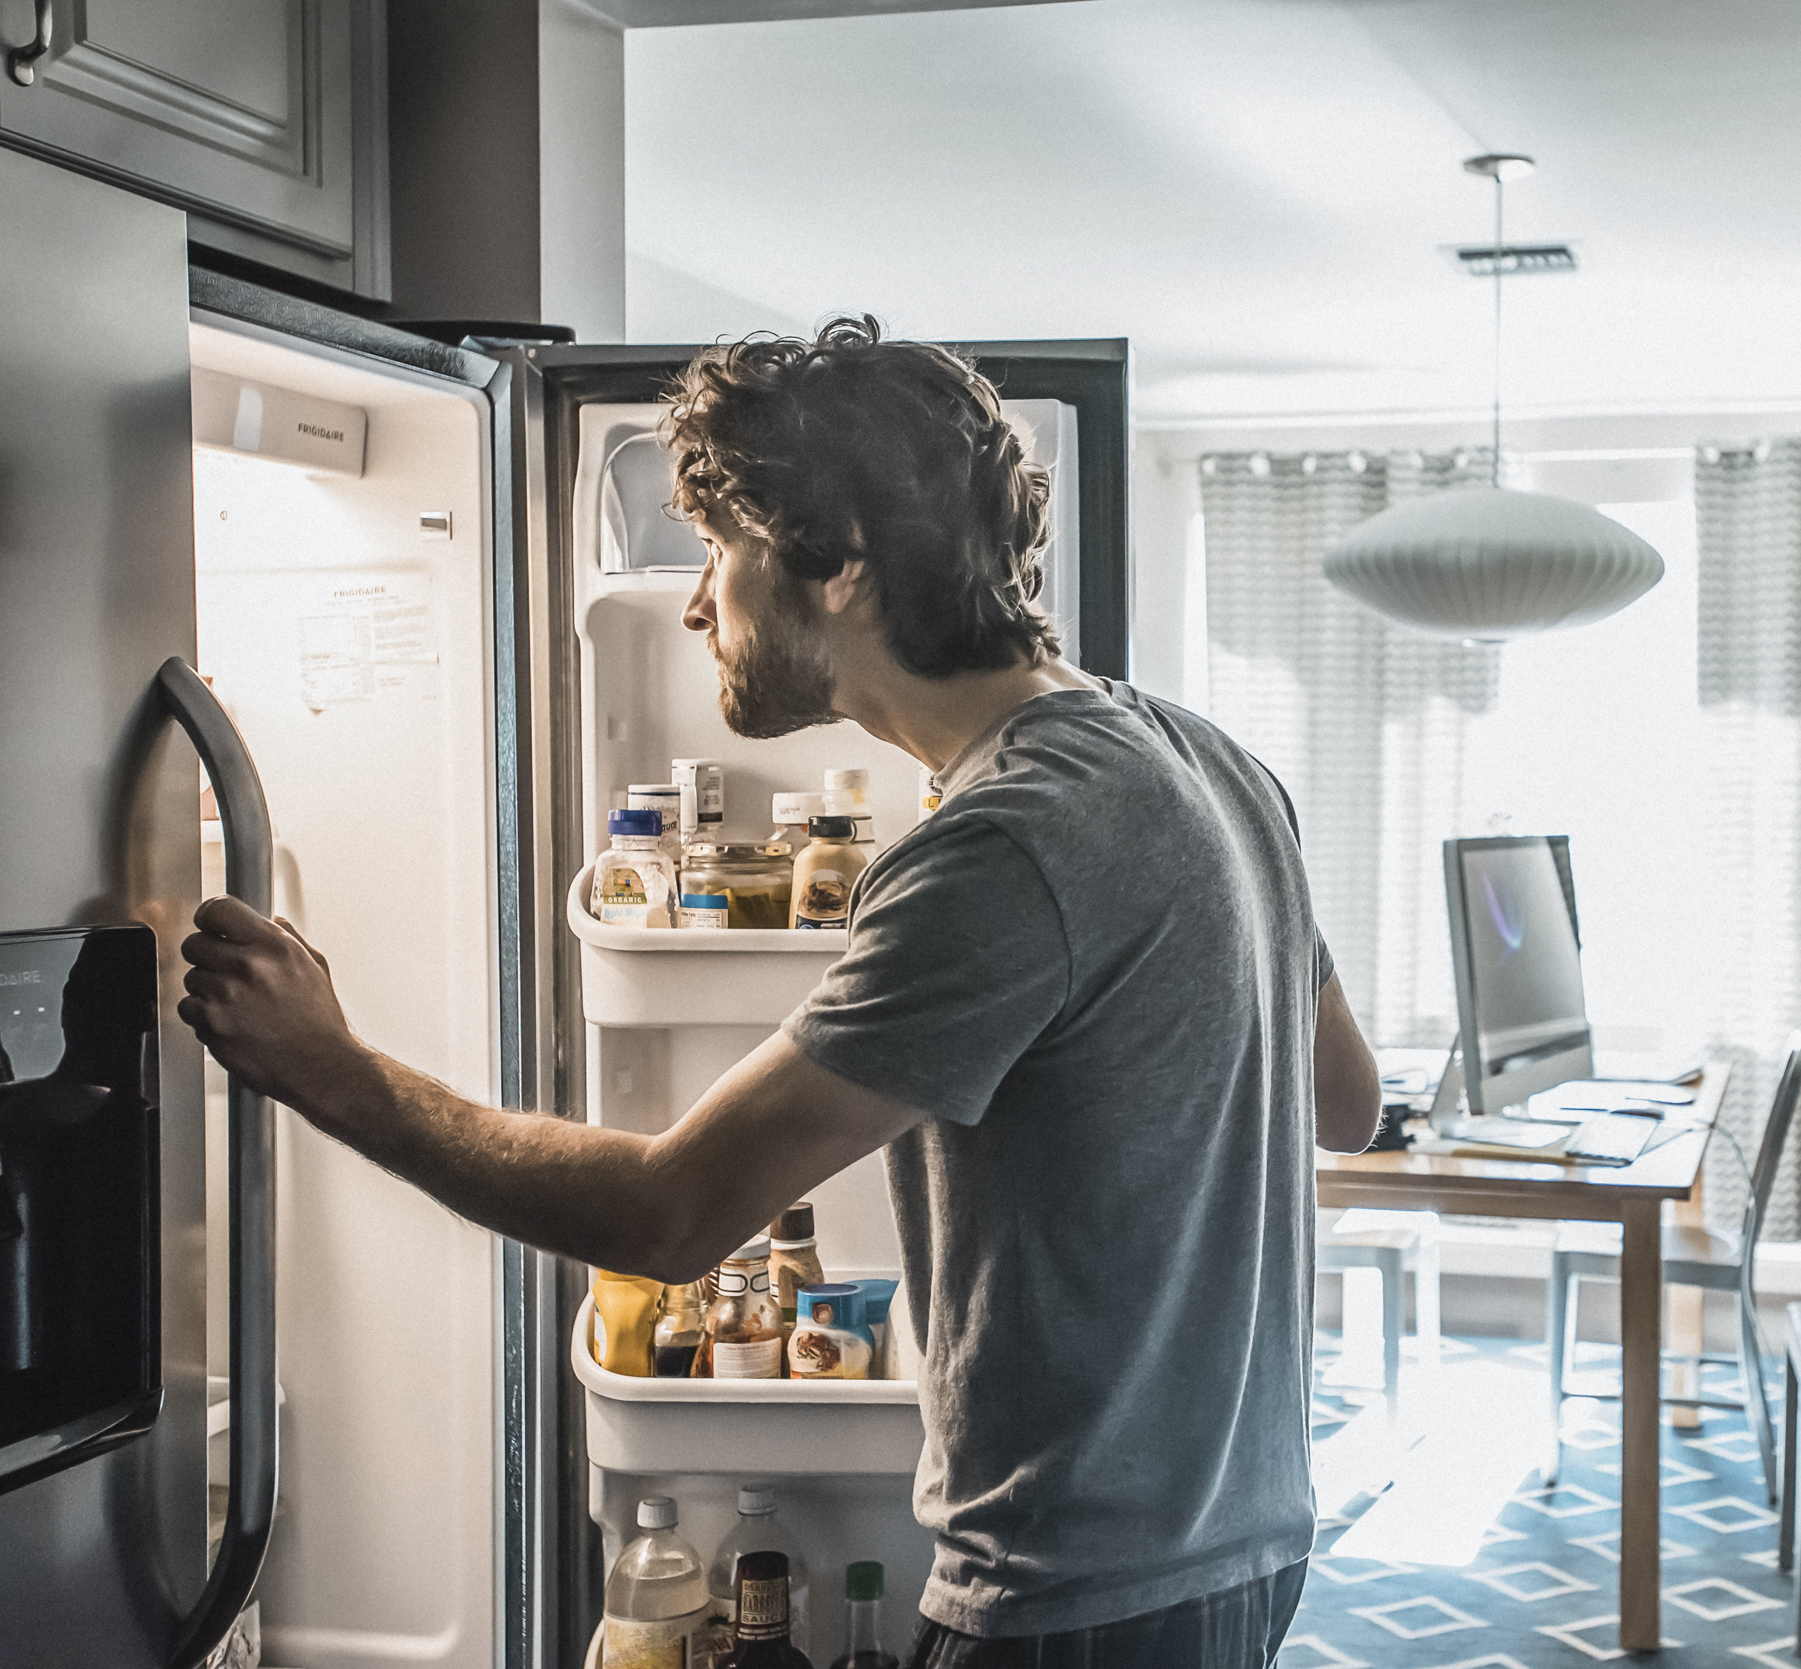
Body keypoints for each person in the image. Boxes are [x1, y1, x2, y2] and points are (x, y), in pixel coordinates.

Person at [177, 317, 1383, 1668]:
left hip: (1076, 1599)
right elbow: (1346, 1103)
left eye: (718, 547)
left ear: (839, 559)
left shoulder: (1001, 845)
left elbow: (670, 1213)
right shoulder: (1209, 760)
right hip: (1247, 1546)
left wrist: (330, 1067)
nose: (699, 605)